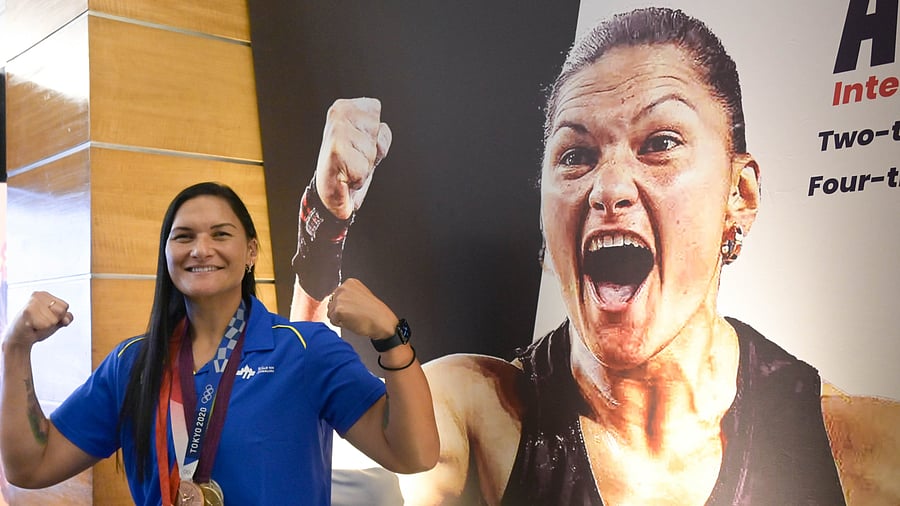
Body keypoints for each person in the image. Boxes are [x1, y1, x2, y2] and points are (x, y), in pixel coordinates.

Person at [292, 8, 900, 506]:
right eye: (575, 155)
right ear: (543, 217)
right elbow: (289, 427)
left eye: (660, 143)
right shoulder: (476, 410)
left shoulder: (856, 448)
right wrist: (325, 226)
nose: (608, 188)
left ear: (738, 195)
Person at [0, 181, 438, 505]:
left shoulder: (304, 350)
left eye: (220, 234)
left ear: (250, 253)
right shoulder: (134, 363)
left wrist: (389, 334)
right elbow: (30, 466)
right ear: (166, 254)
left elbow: (413, 453)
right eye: (184, 236)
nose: (201, 249)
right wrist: (15, 349)